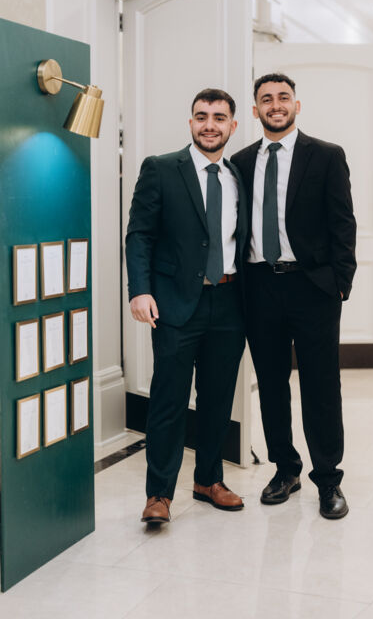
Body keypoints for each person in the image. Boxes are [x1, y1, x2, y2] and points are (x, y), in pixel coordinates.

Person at [231, 73, 356, 519]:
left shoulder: (325, 155)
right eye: (266, 99)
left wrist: (341, 280)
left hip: (313, 286)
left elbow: (343, 222)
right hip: (259, 285)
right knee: (270, 384)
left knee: (321, 385)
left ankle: (328, 478)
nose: (276, 104)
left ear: (296, 105)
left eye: (283, 97)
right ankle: (286, 469)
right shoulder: (240, 162)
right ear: (255, 110)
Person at [126, 88, 247, 523]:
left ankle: (208, 481)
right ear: (191, 122)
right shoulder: (160, 168)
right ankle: (159, 494)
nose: (209, 125)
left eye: (219, 117)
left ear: (233, 125)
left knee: (217, 399)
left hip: (230, 303)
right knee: (169, 400)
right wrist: (140, 290)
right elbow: (139, 234)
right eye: (201, 116)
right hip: (175, 305)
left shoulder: (238, 176)